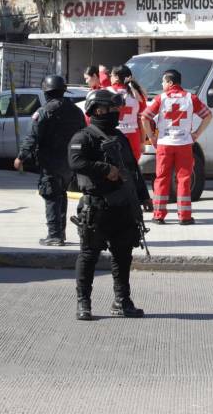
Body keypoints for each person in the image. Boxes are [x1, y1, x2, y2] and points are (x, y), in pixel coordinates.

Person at [68, 89, 152, 321]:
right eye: (112, 109)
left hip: (123, 207)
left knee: (123, 255)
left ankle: (122, 301)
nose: (116, 113)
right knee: (89, 255)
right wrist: (105, 170)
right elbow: (76, 162)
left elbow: (132, 169)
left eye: (117, 109)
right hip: (96, 208)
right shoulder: (83, 137)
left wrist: (144, 195)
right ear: (98, 110)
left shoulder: (120, 137)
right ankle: (84, 303)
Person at [14, 75, 85, 246]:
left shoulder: (43, 112)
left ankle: (54, 235)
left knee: (51, 195)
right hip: (69, 162)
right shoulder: (76, 111)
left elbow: (32, 137)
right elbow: (84, 134)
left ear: (46, 92)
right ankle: (60, 233)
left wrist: (21, 157)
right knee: (61, 194)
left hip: (50, 162)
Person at [141, 69, 213, 225]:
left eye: (163, 82)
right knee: (184, 179)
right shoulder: (190, 98)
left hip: (164, 144)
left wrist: (152, 137)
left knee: (161, 178)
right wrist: (196, 134)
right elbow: (208, 115)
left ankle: (158, 215)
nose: (162, 84)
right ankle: (185, 216)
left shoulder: (161, 98)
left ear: (170, 83)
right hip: (184, 144)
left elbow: (144, 117)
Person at [108, 65, 147, 163]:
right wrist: (142, 141)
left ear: (116, 77)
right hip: (133, 137)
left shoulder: (105, 92)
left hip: (110, 136)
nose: (110, 77)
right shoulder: (137, 95)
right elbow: (142, 120)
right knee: (132, 170)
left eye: (111, 75)